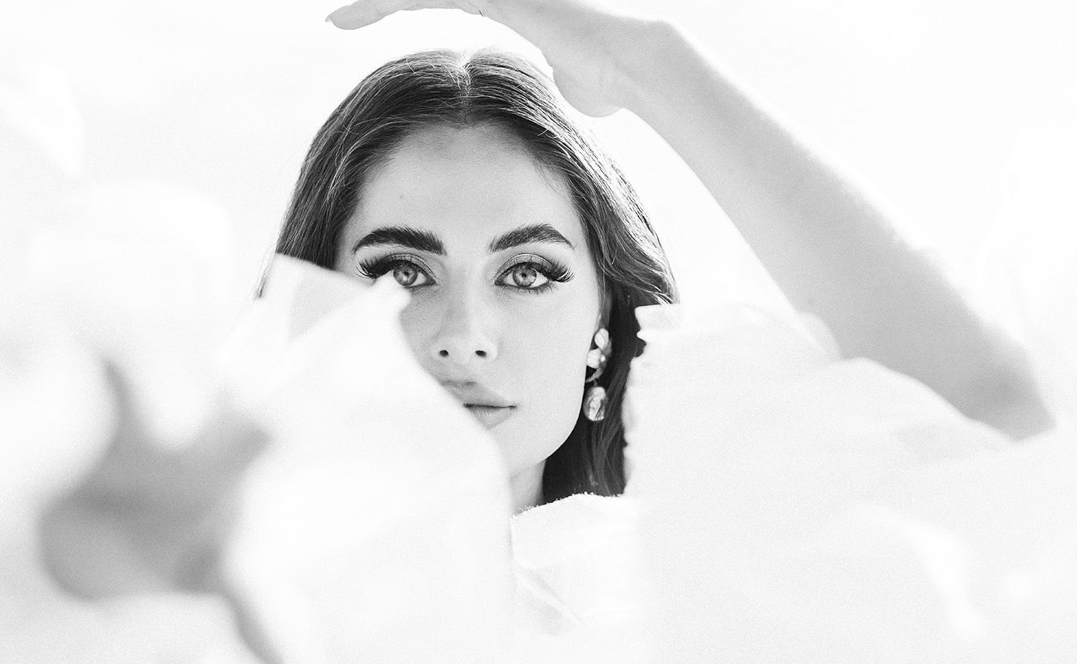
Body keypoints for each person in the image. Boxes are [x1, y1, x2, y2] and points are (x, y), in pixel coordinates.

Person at [255, 0, 1054, 515]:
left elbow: (996, 425)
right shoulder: (198, 622)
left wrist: (646, 65)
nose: (465, 336)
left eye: (527, 273)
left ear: (603, 331)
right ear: (312, 300)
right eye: (403, 272)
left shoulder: (700, 602)